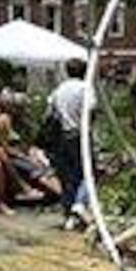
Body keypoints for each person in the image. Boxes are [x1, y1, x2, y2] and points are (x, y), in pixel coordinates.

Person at [47, 57, 91, 230]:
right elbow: (91, 109)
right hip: (79, 136)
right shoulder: (85, 88)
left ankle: (68, 215)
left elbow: (50, 110)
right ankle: (79, 205)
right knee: (88, 173)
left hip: (61, 138)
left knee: (67, 177)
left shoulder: (59, 89)